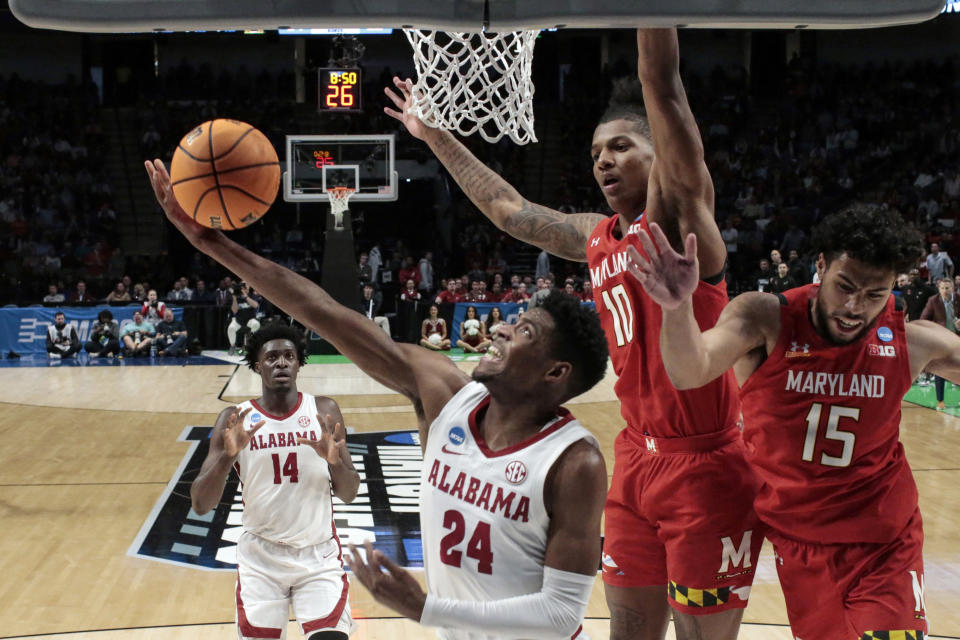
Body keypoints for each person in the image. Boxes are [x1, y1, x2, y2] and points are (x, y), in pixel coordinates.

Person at [386, 27, 760, 638]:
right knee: (630, 624)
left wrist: (651, 19)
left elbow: (663, 89)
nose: (604, 161)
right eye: (594, 154)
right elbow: (509, 211)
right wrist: (435, 136)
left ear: (657, 155)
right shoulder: (595, 236)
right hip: (637, 455)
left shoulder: (683, 217)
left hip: (706, 464)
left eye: (621, 147)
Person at [146, 156, 610, 640]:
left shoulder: (574, 461)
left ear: (555, 372)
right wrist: (208, 241)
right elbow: (320, 309)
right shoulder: (445, 393)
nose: (502, 330)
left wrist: (426, 608)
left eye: (525, 331)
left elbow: (561, 614)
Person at [627, 205, 950, 638]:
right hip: (800, 541)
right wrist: (677, 308)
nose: (855, 307)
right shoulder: (765, 319)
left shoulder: (910, 342)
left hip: (885, 542)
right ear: (820, 266)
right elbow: (690, 370)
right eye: (845, 286)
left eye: (875, 295)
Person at [189, 325, 360, 640]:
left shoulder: (323, 410)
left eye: (288, 356)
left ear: (299, 363)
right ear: (256, 365)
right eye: (271, 357)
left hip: (318, 556)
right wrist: (228, 457)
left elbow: (349, 493)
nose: (281, 363)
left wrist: (335, 462)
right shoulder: (235, 417)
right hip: (261, 562)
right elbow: (201, 503)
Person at [920, 277, 960, 409]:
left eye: (947, 288)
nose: (944, 290)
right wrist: (935, 330)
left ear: (953, 288)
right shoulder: (933, 301)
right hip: (941, 341)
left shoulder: (959, 299)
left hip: (957, 339)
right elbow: (924, 319)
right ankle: (940, 401)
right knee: (939, 370)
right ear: (938, 288)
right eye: (942, 288)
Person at [228, 282, 261, 355]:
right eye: (242, 287)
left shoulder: (252, 295)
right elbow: (234, 310)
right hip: (238, 320)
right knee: (231, 328)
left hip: (250, 319)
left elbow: (256, 305)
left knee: (256, 324)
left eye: (245, 286)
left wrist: (246, 297)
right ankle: (232, 346)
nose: (244, 288)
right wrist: (234, 298)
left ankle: (250, 345)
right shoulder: (236, 296)